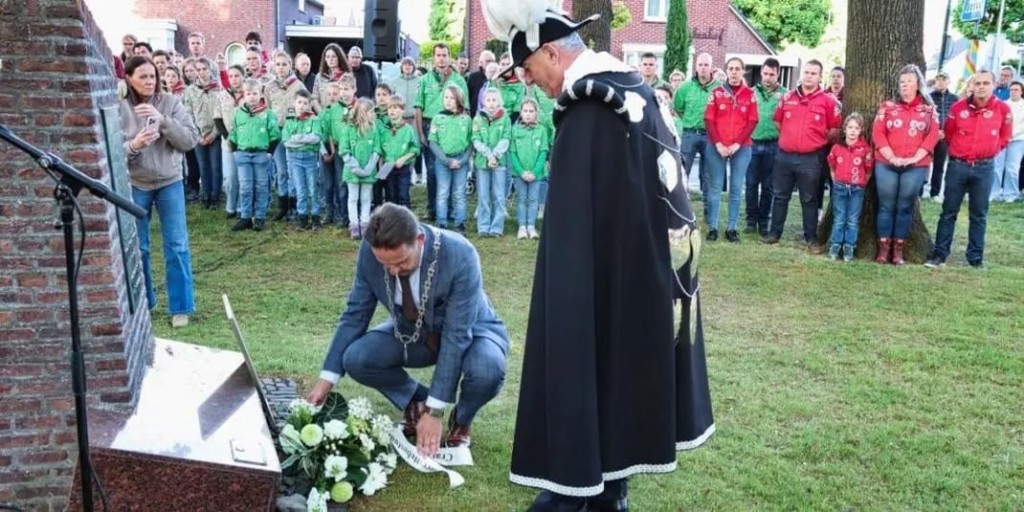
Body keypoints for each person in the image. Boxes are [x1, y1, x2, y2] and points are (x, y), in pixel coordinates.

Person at [479, 3, 714, 510]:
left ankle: (574, 493)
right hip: (642, 274)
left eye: (528, 69)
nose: (528, 82)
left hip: (608, 274)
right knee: (618, 374)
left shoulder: (589, 109)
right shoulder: (632, 90)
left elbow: (573, 226)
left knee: (592, 365)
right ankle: (611, 489)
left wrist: (566, 293)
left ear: (550, 51)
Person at [306, 203, 510, 456]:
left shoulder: (460, 254)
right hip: (413, 331)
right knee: (357, 358)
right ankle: (417, 402)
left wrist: (437, 410)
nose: (393, 271)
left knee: (487, 370)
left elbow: (458, 336)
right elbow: (356, 313)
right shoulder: (372, 251)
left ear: (420, 240)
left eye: (401, 263)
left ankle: (461, 420)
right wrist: (326, 381)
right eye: (386, 265)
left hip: (472, 329)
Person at [119, 56, 200, 327]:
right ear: (129, 78)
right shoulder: (119, 109)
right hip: (136, 184)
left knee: (176, 245)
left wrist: (163, 121)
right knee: (138, 247)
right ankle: (145, 302)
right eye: (143, 76)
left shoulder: (171, 103)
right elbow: (111, 153)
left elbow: (190, 140)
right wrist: (135, 145)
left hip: (170, 182)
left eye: (153, 76)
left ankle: (181, 307)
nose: (149, 81)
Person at [926, 70, 1012, 269]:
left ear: (993, 85)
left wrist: (989, 151)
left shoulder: (1003, 110)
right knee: (948, 211)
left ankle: (975, 258)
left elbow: (1005, 137)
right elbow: (948, 133)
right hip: (958, 166)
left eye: (985, 83)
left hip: (984, 168)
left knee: (979, 214)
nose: (981, 87)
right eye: (977, 83)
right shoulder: (957, 108)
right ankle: (939, 255)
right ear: (972, 86)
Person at [763, 60, 842, 248]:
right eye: (806, 72)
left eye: (813, 73)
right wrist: (791, 138)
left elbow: (834, 129)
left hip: (812, 157)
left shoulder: (829, 101)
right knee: (780, 196)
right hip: (785, 155)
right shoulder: (787, 97)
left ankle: (810, 237)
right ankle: (774, 233)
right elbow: (778, 122)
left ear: (820, 77)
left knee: (809, 198)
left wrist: (815, 140)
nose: (809, 76)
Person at [871, 64, 939, 265]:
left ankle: (898, 251)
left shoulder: (928, 110)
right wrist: (892, 157)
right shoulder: (887, 107)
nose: (905, 86)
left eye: (909, 81)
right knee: (886, 205)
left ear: (918, 84)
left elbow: (932, 136)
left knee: (904, 207)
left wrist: (914, 158)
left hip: (915, 164)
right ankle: (883, 249)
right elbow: (878, 133)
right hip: (886, 163)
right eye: (902, 82)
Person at [703, 56, 758, 243]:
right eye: (731, 68)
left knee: (736, 188)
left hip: (741, 147)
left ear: (744, 71)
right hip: (716, 147)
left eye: (738, 68)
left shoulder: (750, 94)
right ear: (726, 71)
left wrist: (737, 144)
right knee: (715, 187)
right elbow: (709, 120)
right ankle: (713, 227)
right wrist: (718, 143)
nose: (734, 72)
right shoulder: (717, 92)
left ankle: (732, 228)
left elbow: (752, 121)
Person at [415, 43, 469, 222]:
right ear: (433, 58)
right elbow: (418, 108)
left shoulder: (459, 80)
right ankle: (432, 208)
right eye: (438, 55)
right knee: (432, 171)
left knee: (454, 168)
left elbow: (466, 108)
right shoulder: (424, 80)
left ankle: (452, 210)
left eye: (444, 55)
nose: (441, 58)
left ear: (449, 57)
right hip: (431, 125)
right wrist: (421, 133)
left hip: (454, 125)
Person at [228, 78, 281, 232]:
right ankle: (245, 217)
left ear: (260, 94)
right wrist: (235, 151)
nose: (251, 96)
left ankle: (259, 217)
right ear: (244, 94)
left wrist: (270, 153)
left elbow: (275, 135)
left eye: (255, 93)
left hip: (261, 155)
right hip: (243, 155)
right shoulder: (238, 113)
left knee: (261, 186)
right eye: (248, 93)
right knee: (245, 187)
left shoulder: (268, 114)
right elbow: (233, 134)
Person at [673, 53, 720, 210]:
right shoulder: (686, 87)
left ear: (711, 67)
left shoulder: (719, 88)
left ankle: (708, 207)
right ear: (696, 66)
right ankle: (681, 206)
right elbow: (678, 108)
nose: (703, 68)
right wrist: (690, 121)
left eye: (706, 65)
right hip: (689, 134)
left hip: (710, 136)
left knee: (708, 173)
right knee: (683, 171)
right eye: (700, 65)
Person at [825, 113, 873, 261]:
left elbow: (868, 170)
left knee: (852, 219)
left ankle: (849, 248)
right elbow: (832, 166)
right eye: (850, 127)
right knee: (839, 218)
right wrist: (836, 181)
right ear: (845, 129)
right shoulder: (837, 148)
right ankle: (835, 246)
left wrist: (861, 183)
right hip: (840, 187)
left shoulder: (865, 150)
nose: (853, 131)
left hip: (857, 188)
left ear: (861, 130)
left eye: (856, 128)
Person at [747, 58, 786, 237]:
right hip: (753, 143)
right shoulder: (751, 93)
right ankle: (750, 220)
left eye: (772, 74)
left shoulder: (786, 95)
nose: (768, 78)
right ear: (761, 73)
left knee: (769, 185)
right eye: (765, 74)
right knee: (751, 183)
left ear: (778, 74)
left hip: (774, 144)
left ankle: (764, 221)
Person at [265, 50, 306, 222]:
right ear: (273, 66)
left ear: (290, 65)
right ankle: (283, 205)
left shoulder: (298, 86)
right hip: (277, 132)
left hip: (293, 131)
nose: (281, 68)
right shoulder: (269, 87)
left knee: (292, 169)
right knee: (281, 170)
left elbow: (306, 107)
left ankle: (295, 204)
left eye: (284, 64)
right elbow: (267, 109)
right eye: (278, 64)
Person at [428, 85, 473, 233]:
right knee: (442, 192)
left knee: (459, 193)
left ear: (459, 99)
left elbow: (471, 142)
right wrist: (446, 160)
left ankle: (460, 223)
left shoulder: (466, 119)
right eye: (446, 97)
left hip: (461, 160)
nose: (448, 100)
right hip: (443, 161)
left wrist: (463, 160)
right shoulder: (437, 118)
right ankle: (442, 223)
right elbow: (433, 142)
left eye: (451, 98)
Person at [282, 89, 325, 229]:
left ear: (309, 105)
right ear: (294, 103)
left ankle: (316, 216)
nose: (302, 105)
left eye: (305, 103)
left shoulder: (314, 120)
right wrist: (305, 140)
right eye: (299, 102)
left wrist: (297, 139)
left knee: (313, 188)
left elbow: (316, 138)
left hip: (310, 158)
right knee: (300, 189)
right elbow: (286, 141)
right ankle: (303, 217)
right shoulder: (290, 121)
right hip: (295, 159)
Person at [472, 88, 512, 237]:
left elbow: (506, 138)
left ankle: (496, 227)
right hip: (483, 162)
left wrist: (495, 155)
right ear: (483, 101)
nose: (491, 103)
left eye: (494, 100)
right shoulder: (477, 118)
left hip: (499, 163)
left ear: (499, 101)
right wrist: (488, 155)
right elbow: (475, 139)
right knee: (483, 195)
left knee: (498, 195)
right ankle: (483, 226)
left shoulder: (505, 118)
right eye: (488, 100)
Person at [340, 98, 382, 239]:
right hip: (352, 173)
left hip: (368, 172)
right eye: (371, 112)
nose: (373, 114)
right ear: (363, 113)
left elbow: (377, 148)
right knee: (353, 198)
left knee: (365, 198)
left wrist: (369, 167)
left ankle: (365, 224)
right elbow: (344, 150)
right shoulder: (348, 129)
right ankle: (354, 225)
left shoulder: (374, 129)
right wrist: (355, 167)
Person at [186, 57, 224, 209]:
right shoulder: (191, 91)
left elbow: (222, 113)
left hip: (215, 133)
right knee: (203, 165)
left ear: (210, 70)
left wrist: (214, 134)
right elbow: (188, 113)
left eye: (205, 69)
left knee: (215, 166)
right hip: (198, 134)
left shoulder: (218, 89)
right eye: (199, 69)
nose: (202, 72)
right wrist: (197, 134)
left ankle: (215, 196)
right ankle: (206, 195)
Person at [509, 97, 549, 240]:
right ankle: (522, 226)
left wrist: (535, 172)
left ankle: (531, 226)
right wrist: (521, 171)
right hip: (520, 173)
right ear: (520, 112)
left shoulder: (541, 130)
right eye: (525, 111)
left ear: (536, 113)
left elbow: (543, 152)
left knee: (533, 200)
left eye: (531, 111)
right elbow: (513, 152)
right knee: (522, 199)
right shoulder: (515, 130)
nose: (528, 114)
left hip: (535, 174)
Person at [213, 65, 246, 220]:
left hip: (247, 143)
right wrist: (228, 137)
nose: (234, 79)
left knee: (243, 177)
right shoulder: (221, 96)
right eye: (231, 76)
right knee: (231, 177)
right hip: (228, 144)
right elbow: (218, 118)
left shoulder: (250, 94)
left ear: (243, 77)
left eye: (237, 75)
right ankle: (230, 205)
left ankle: (241, 207)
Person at [380, 94, 420, 209]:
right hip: (388, 167)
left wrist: (404, 159)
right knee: (390, 196)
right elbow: (380, 149)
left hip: (403, 168)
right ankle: (391, 222)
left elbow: (415, 148)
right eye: (389, 108)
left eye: (395, 108)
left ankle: (406, 222)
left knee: (403, 195)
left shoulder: (408, 129)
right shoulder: (384, 129)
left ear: (402, 111)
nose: (392, 110)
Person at [389, 57, 423, 184]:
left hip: (414, 118)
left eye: (410, 64)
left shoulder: (420, 81)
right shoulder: (394, 82)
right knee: (402, 145)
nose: (407, 67)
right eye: (405, 64)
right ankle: (405, 175)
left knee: (415, 145)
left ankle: (418, 175)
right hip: (400, 119)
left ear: (413, 67)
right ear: (401, 67)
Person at [927, 71, 959, 202]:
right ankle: (918, 191)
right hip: (929, 135)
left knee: (939, 165)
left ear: (948, 81)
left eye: (944, 79)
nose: (941, 82)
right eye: (939, 79)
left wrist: (945, 132)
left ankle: (934, 193)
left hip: (945, 136)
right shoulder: (928, 97)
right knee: (923, 164)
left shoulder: (954, 98)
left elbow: (955, 118)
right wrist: (934, 131)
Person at [992, 80, 1024, 202]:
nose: (1013, 92)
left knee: (1012, 168)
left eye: (1016, 90)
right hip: (1001, 140)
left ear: (1021, 92)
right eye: (1011, 90)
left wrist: (1012, 134)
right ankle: (994, 193)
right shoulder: (1003, 104)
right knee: (997, 167)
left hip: (1018, 140)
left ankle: (1010, 194)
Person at [311, 43, 351, 113]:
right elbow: (314, 98)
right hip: (323, 115)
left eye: (334, 56)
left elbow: (350, 99)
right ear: (325, 59)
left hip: (340, 117)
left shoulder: (347, 76)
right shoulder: (319, 76)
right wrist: (322, 113)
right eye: (328, 57)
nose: (330, 59)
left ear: (339, 57)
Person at [467, 51, 496, 118]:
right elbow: (468, 97)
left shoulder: (498, 78)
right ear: (480, 63)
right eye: (488, 61)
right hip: (476, 116)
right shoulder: (473, 77)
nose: (491, 63)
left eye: (493, 61)